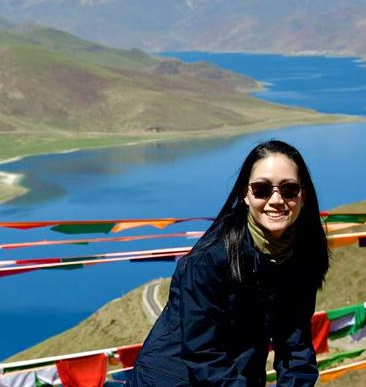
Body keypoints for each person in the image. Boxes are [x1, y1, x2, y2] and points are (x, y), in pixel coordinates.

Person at [128, 140, 329, 386]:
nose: (276, 200)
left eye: (288, 190)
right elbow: (203, 352)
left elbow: (296, 346)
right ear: (246, 194)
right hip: (173, 378)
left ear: (303, 195)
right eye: (262, 189)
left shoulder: (303, 256)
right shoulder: (211, 257)